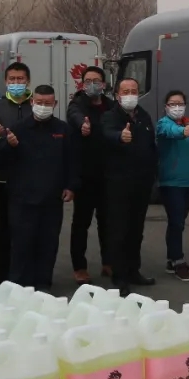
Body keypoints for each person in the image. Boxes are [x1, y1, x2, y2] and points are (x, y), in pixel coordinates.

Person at [0, 85, 79, 291]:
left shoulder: (63, 130)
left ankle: (43, 283)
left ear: (55, 104)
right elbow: (1, 161)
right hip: (22, 197)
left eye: (47, 103)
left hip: (52, 197)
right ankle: (19, 284)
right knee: (22, 243)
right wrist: (9, 146)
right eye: (39, 102)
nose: (43, 107)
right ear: (32, 102)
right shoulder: (18, 129)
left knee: (48, 243)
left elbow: (72, 160)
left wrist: (70, 186)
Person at [102, 78, 158, 295]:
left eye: (134, 91)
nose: (130, 95)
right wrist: (120, 136)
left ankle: (134, 270)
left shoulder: (143, 115)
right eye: (125, 91)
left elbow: (151, 145)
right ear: (117, 95)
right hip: (119, 183)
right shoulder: (110, 116)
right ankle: (120, 276)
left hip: (141, 182)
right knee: (119, 231)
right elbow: (107, 134)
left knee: (136, 230)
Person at [0, 61, 33, 291]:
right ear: (5, 81)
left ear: (27, 81)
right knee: (4, 228)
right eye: (12, 79)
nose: (16, 83)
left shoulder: (36, 105)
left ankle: (27, 272)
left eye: (20, 79)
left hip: (31, 177)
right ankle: (2, 274)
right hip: (3, 177)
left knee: (29, 227)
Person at [66, 65, 115, 285]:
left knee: (108, 222)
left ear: (103, 84)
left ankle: (109, 262)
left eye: (96, 81)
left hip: (108, 174)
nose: (92, 85)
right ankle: (80, 267)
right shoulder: (78, 104)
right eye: (88, 81)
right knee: (81, 223)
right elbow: (74, 115)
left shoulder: (111, 106)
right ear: (82, 84)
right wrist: (82, 125)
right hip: (85, 176)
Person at [156, 90, 189, 281]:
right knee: (176, 222)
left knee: (178, 222)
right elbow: (170, 132)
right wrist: (182, 132)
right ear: (166, 106)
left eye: (180, 104)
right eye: (172, 104)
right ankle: (178, 260)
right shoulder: (164, 124)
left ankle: (172, 259)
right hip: (172, 182)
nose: (177, 107)